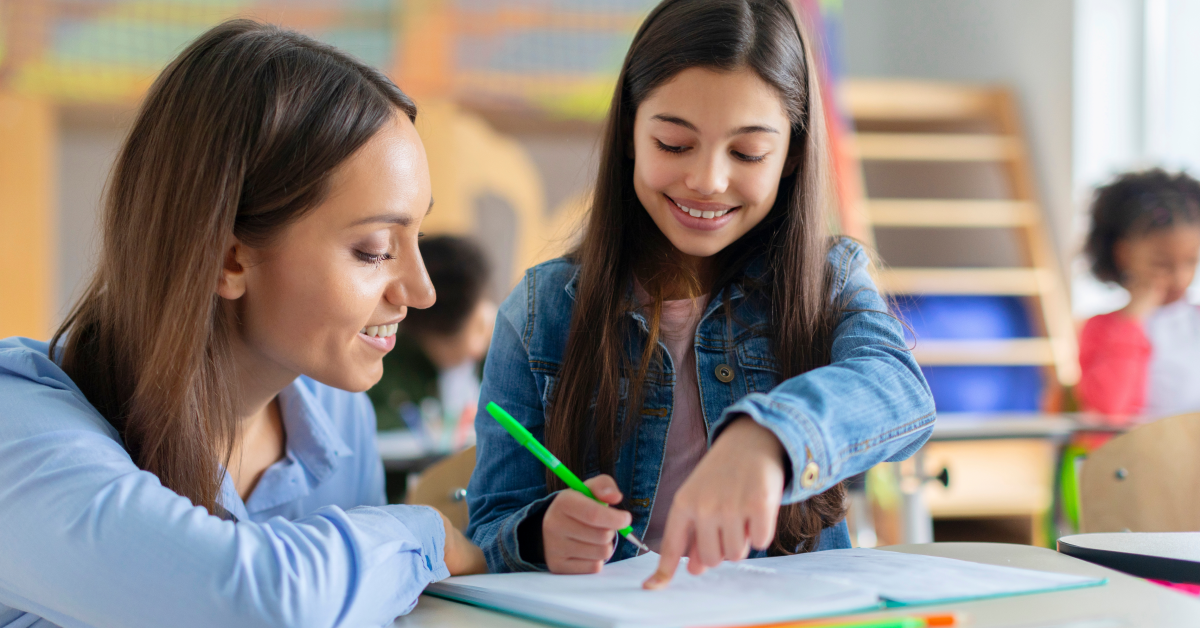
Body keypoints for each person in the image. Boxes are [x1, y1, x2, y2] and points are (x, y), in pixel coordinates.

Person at [0, 20, 484, 628]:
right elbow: (253, 603)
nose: (421, 290)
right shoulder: (18, 431)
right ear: (230, 258)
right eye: (373, 249)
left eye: (417, 236)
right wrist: (428, 533)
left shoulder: (336, 418)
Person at [465, 0, 935, 589]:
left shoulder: (828, 278)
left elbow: (899, 389)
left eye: (747, 153)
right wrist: (539, 535)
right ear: (632, 135)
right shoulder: (543, 310)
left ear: (790, 155)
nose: (708, 180)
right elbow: (487, 527)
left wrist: (772, 437)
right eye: (673, 144)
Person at [1078, 169, 1200, 418]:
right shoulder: (1101, 329)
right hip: (1135, 454)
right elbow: (1109, 409)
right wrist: (1130, 323)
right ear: (1124, 255)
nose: (1179, 278)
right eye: (1161, 264)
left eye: (1191, 262)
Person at [368, 235, 496, 447]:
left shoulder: (514, 357)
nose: (475, 347)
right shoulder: (385, 366)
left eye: (480, 326)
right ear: (418, 335)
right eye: (449, 343)